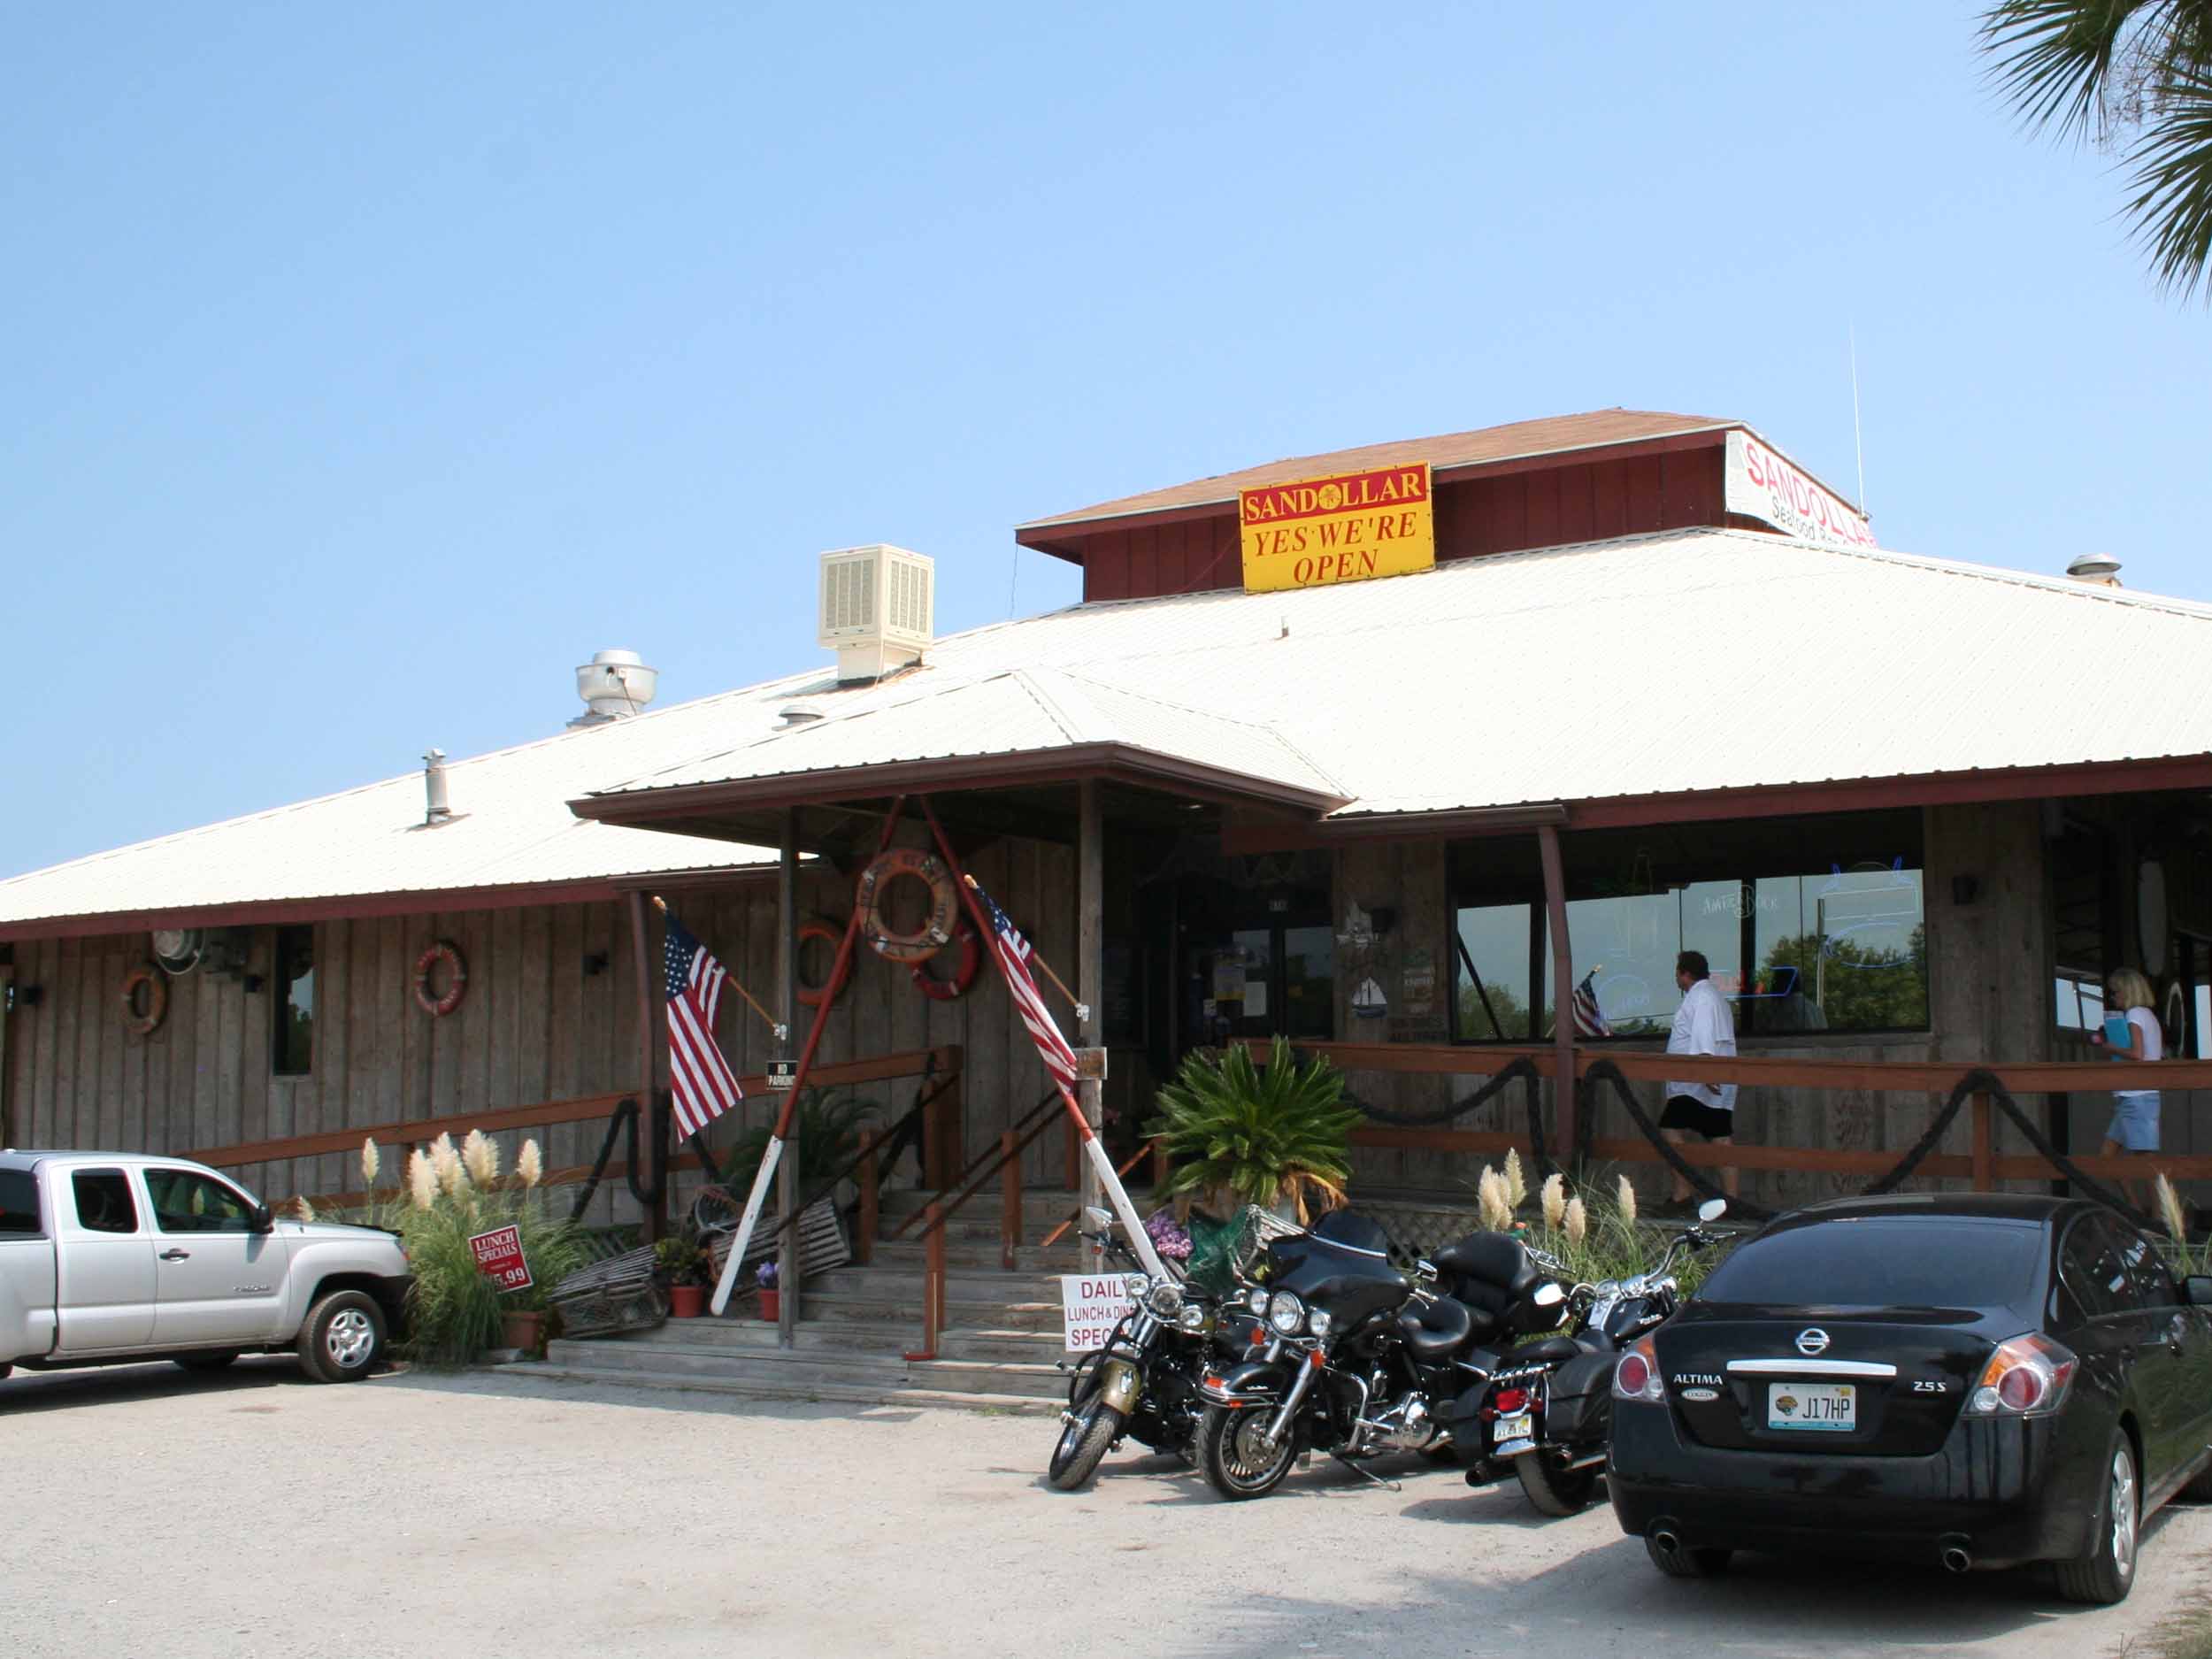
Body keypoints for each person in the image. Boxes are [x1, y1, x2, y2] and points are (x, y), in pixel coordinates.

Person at [1662, 949, 1739, 1210]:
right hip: (1703, 1083)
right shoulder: (1712, 995)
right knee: (1720, 1137)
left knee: (1670, 1129)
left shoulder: (1702, 997)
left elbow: (1704, 1034)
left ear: (1685, 973)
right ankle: (1732, 1200)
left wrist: (1705, 1071)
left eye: (1676, 973)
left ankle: (1683, 1193)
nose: (1675, 979)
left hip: (1696, 1084)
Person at [2091, 966, 2163, 1205]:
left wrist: (2111, 1048)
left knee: (2145, 1162)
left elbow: (2137, 1054)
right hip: (2133, 1097)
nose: (2113, 997)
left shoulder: (2134, 1015)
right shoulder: (2148, 1016)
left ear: (2126, 991)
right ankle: (2135, 1208)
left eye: (2115, 992)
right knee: (2110, 1157)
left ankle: (2158, 1220)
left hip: (2137, 1097)